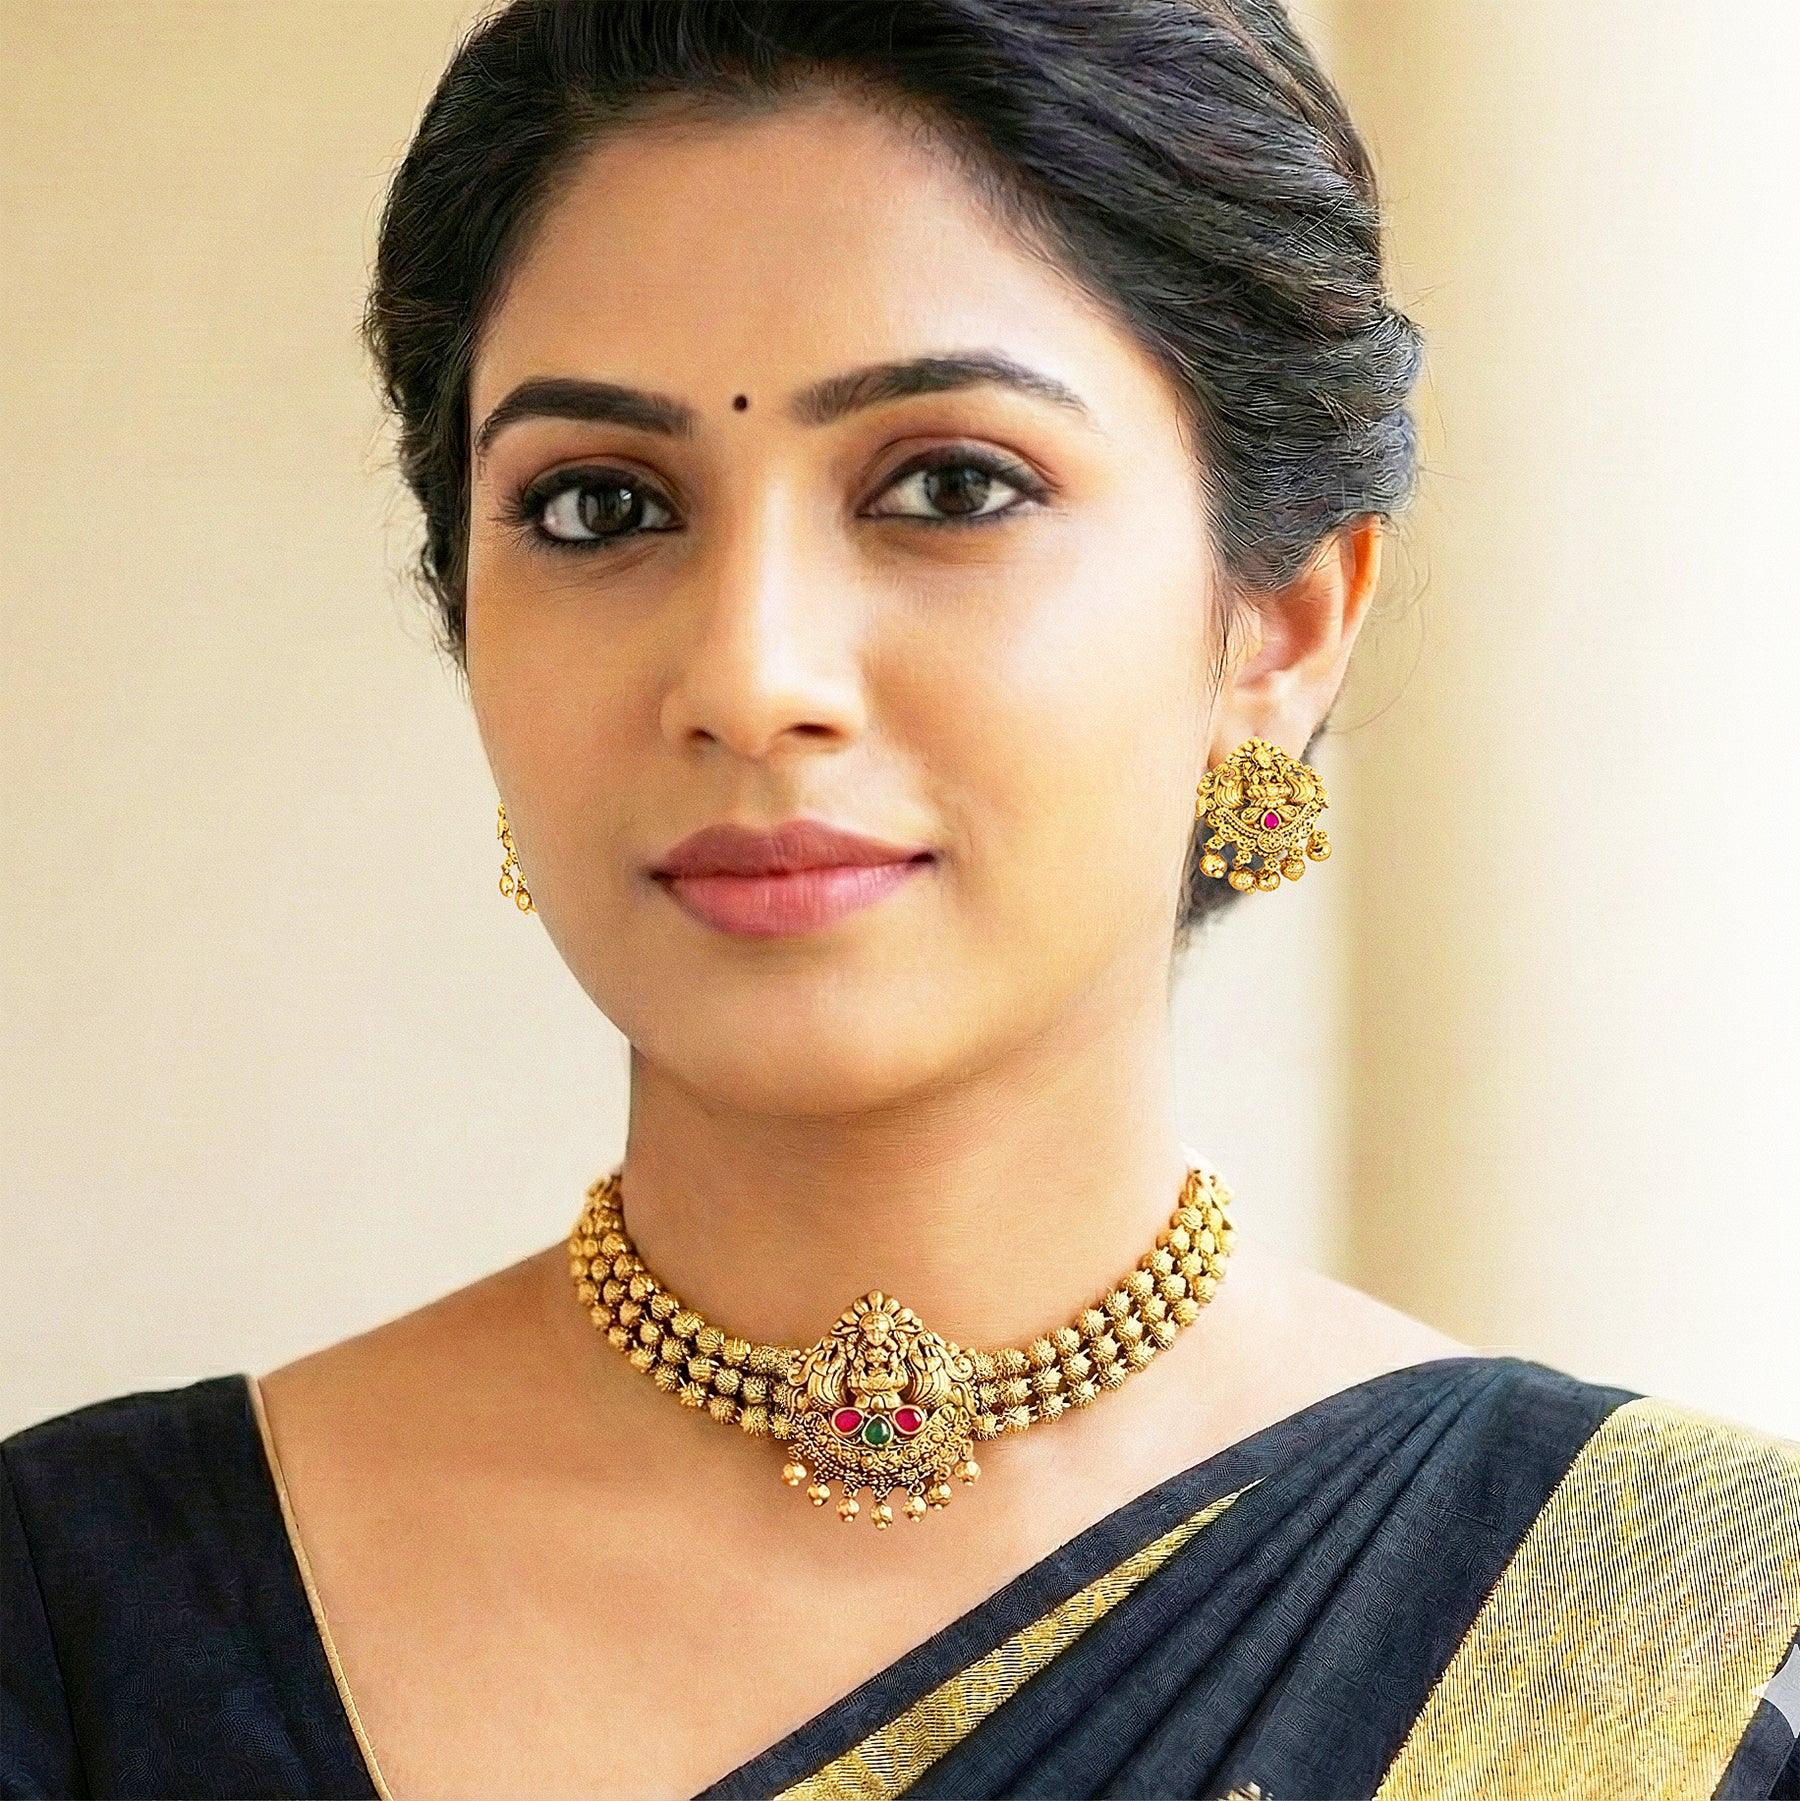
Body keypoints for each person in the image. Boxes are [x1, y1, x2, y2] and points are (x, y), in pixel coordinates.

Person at [5, 2, 1798, 1796]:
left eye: (950, 484)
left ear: (1282, 623)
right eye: (598, 505)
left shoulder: (1653, 1636)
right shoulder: (75, 1620)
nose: (750, 669)